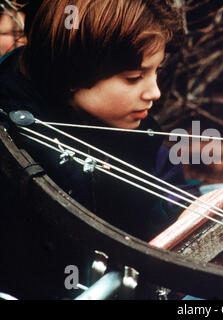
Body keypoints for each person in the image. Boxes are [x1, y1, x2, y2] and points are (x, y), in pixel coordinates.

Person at [0, 0, 198, 243]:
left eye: (156, 71)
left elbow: (168, 181)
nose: (154, 92)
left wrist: (185, 214)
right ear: (72, 71)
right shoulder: (13, 145)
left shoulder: (119, 117)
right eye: (135, 77)